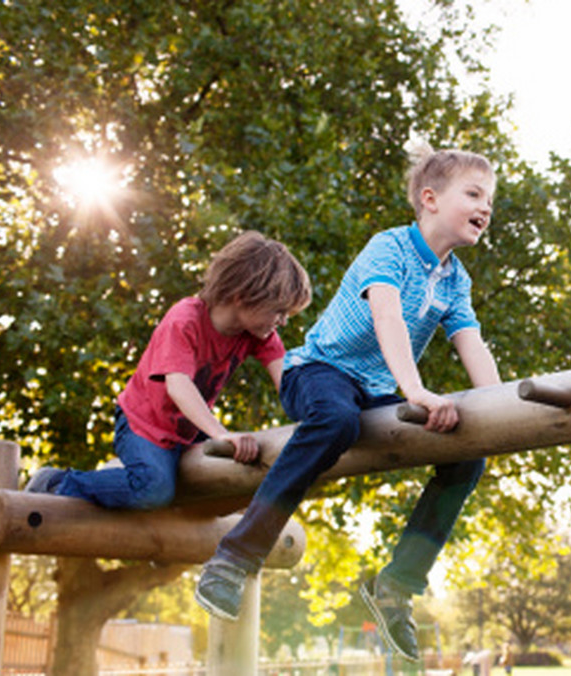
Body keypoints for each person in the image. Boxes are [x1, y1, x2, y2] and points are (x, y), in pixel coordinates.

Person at [194, 148, 502, 665]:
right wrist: (417, 391)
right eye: (473, 194)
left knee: (468, 452)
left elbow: (472, 343)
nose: (485, 206)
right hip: (319, 371)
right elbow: (388, 319)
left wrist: (502, 416)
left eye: (490, 199)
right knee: (335, 420)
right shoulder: (390, 248)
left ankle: (396, 586)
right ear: (429, 200)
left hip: (381, 390)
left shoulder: (456, 281)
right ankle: (234, 557)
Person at [24, 231, 311, 509]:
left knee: (239, 475)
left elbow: (288, 380)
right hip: (143, 426)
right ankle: (58, 482)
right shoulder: (185, 320)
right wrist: (220, 433)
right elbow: (178, 386)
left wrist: (317, 413)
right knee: (153, 488)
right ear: (242, 295)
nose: (282, 321)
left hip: (187, 431)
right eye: (279, 311)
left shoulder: (258, 335)